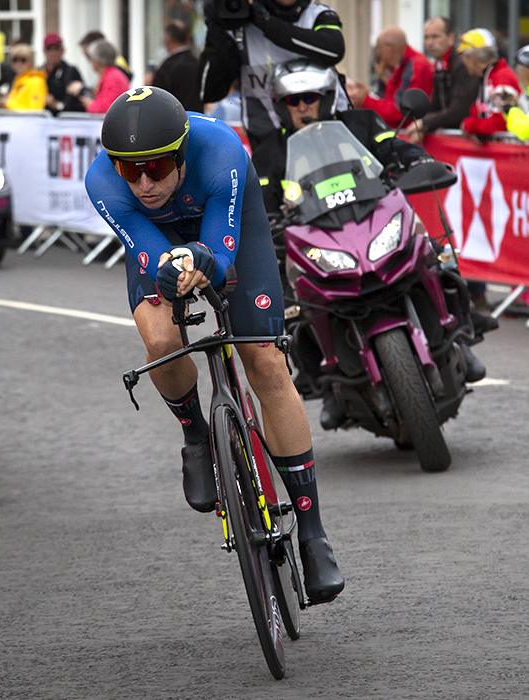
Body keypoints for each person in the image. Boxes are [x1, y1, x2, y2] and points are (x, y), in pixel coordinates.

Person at [84, 87, 345, 605]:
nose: (142, 184)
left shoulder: (221, 151)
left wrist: (206, 262)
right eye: (128, 171)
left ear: (181, 155)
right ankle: (196, 434)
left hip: (225, 225)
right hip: (158, 240)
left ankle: (313, 534)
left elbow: (220, 253)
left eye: (156, 169)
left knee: (267, 364)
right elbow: (151, 254)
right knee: (160, 338)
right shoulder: (104, 183)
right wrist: (171, 269)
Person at [269, 60, 491, 427]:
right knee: (296, 302)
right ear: (281, 106)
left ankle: (460, 338)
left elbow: (396, 149)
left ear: (327, 98)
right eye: (293, 101)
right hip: (318, 235)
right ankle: (327, 384)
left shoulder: (362, 123)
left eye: (310, 97)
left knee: (433, 255)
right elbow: (262, 198)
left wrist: (418, 160)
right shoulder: (272, 153)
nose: (302, 106)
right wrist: (261, 221)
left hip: (373, 218)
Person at [198, 0, 346, 210]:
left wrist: (267, 23)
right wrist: (216, 28)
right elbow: (208, 91)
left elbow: (334, 49)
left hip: (327, 134)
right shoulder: (241, 23)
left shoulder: (318, 15)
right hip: (268, 142)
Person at [404, 17, 480, 144]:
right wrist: (424, 125)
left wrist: (424, 123)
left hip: (467, 141)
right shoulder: (440, 65)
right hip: (453, 139)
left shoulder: (461, 65)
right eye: (426, 37)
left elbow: (459, 110)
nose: (430, 43)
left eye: (435, 37)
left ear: (450, 38)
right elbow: (436, 106)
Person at [347, 27, 434, 128]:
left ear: (390, 47)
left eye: (379, 49)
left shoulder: (416, 65)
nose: (378, 55)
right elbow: (392, 101)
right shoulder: (403, 65)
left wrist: (365, 100)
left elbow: (401, 111)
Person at [458, 28, 520, 139]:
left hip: (509, 151)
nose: (463, 63)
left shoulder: (501, 77)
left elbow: (499, 123)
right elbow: (478, 111)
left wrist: (469, 125)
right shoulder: (488, 75)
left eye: (463, 57)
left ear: (473, 59)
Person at [152, 20, 203, 113]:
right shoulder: (198, 63)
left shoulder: (168, 67)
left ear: (168, 38)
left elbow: (156, 100)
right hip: (197, 118)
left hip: (175, 122)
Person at [68, 39, 130, 114]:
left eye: (91, 58)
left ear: (97, 61)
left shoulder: (112, 77)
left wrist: (90, 104)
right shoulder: (111, 74)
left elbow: (108, 108)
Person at [41, 32, 85, 115]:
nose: (53, 53)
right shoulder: (39, 72)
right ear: (44, 51)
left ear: (62, 50)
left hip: (65, 120)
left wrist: (56, 104)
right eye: (49, 49)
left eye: (56, 48)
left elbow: (78, 102)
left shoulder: (70, 72)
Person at [0, 44, 48, 111]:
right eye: (15, 60)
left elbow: (36, 112)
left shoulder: (37, 81)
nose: (18, 63)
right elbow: (18, 104)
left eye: (23, 60)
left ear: (31, 62)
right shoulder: (18, 79)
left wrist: (8, 103)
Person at [504, 45, 529, 140]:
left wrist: (510, 109)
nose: (516, 72)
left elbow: (525, 131)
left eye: (516, 67)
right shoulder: (524, 94)